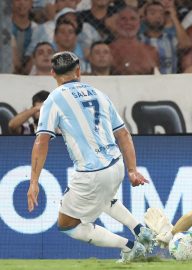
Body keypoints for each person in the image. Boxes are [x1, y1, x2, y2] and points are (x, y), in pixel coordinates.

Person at [26, 51, 154, 263]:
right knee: (102, 199)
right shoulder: (99, 94)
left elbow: (41, 142)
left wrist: (34, 181)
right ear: (79, 71)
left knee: (68, 225)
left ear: (52, 73)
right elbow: (123, 133)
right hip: (117, 165)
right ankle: (140, 230)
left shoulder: (54, 99)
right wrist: (132, 170)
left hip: (91, 173)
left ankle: (130, 247)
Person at [140, 0, 192, 74]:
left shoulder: (170, 39)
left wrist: (174, 17)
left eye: (161, 13)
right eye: (152, 13)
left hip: (170, 83)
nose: (157, 16)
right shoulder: (139, 40)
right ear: (144, 17)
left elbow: (186, 45)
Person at [109, 6, 160, 75]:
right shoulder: (108, 51)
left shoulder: (151, 51)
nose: (128, 22)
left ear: (139, 23)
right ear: (117, 23)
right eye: (123, 19)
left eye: (133, 19)